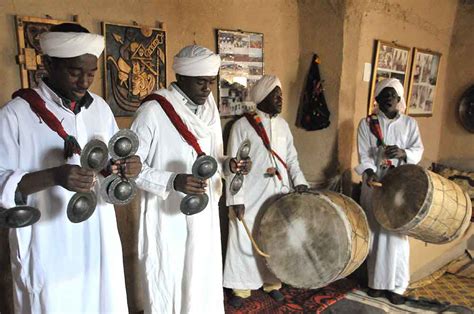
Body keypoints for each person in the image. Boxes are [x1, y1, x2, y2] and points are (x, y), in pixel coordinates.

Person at [0, 23, 141, 313]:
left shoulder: (99, 108)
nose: (84, 81)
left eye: (91, 73)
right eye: (75, 72)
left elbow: (108, 162)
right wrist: (54, 175)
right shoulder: (15, 115)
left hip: (98, 231)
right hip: (48, 240)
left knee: (102, 299)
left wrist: (124, 167)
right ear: (47, 63)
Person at [131, 45, 251, 313]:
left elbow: (214, 157)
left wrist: (228, 164)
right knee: (168, 278)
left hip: (202, 213)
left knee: (201, 279)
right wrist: (173, 181)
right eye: (200, 81)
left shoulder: (209, 110)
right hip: (165, 215)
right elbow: (131, 168)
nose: (207, 88)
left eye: (210, 81)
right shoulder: (153, 110)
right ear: (181, 77)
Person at [223, 75, 309, 308]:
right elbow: (234, 165)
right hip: (249, 193)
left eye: (281, 95)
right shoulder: (242, 126)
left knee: (275, 237)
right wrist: (236, 200)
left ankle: (272, 283)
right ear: (262, 98)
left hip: (278, 192)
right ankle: (240, 287)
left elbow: (291, 158)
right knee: (244, 235)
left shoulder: (282, 126)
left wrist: (299, 182)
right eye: (276, 95)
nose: (281, 99)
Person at [355, 78, 424, 304]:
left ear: (399, 100)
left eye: (392, 97)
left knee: (397, 234)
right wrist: (368, 172)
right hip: (375, 185)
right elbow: (364, 155)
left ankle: (397, 286)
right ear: (376, 99)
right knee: (375, 233)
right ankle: (375, 284)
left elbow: (418, 149)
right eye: (383, 97)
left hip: (400, 186)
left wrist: (403, 153)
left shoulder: (409, 124)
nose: (387, 101)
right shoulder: (366, 124)